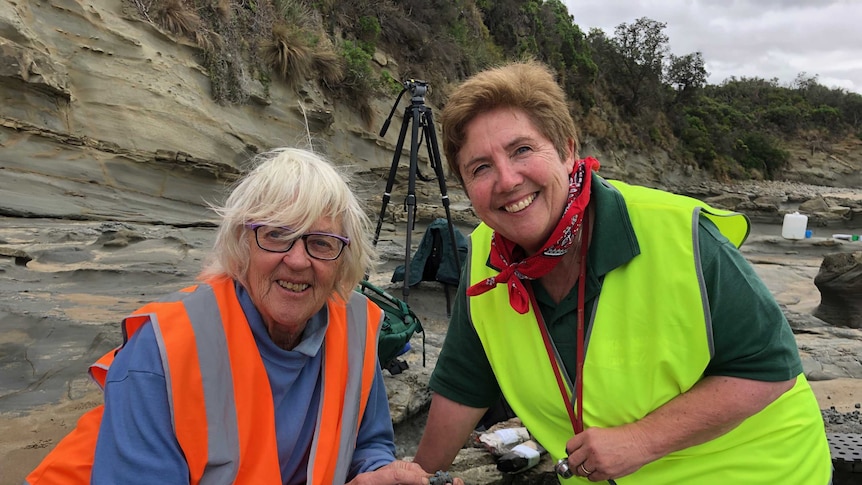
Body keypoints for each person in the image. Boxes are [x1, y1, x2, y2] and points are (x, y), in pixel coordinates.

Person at [412, 60, 832, 483]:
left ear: (567, 150)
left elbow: (770, 367)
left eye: (522, 149)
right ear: (466, 188)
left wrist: (643, 439)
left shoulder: (677, 234)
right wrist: (418, 475)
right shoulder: (486, 256)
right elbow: (465, 383)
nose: (506, 180)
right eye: (480, 167)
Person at [25, 148, 446, 485]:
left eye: (321, 242)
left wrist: (374, 474)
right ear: (241, 246)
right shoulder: (164, 350)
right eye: (276, 234)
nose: (297, 261)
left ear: (344, 260)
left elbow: (368, 443)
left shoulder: (356, 328)